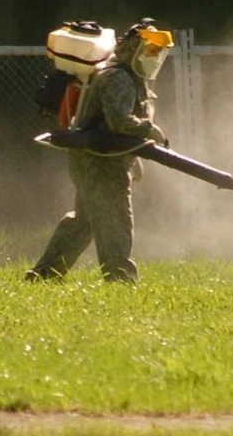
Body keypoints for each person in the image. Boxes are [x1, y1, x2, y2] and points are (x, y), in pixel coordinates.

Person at [27, 18, 170, 283]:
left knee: (85, 221)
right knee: (116, 220)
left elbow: (117, 129)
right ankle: (121, 280)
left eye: (156, 52)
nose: (153, 57)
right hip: (100, 161)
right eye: (149, 51)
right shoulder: (119, 77)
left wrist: (134, 157)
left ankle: (44, 275)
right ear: (133, 48)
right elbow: (119, 120)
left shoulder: (131, 78)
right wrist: (149, 129)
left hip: (99, 158)